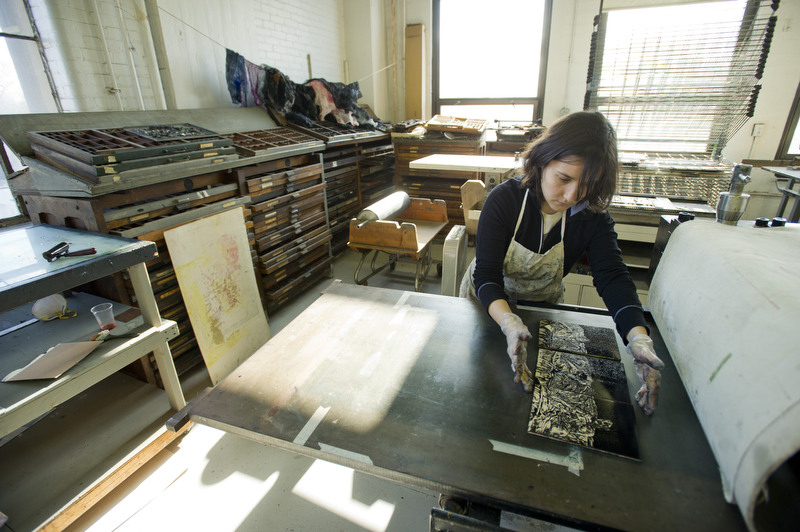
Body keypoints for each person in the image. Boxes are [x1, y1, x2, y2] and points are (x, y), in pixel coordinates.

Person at [459, 111, 664, 415]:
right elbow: (488, 275)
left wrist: (638, 337)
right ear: (542, 161)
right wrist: (509, 322)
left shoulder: (590, 216)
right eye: (564, 179)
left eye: (586, 185)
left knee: (536, 401)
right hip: (489, 308)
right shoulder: (505, 201)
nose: (571, 195)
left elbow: (613, 277)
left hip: (545, 309)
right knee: (482, 394)